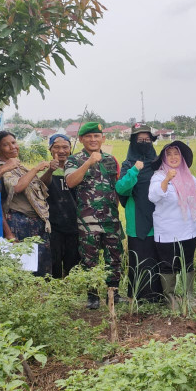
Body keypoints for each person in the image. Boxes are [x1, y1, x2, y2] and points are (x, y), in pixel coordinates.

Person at [64, 122, 125, 310]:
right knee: (89, 259)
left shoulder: (111, 160)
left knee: (114, 257)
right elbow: (70, 182)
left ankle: (113, 293)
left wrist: (114, 212)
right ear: (81, 139)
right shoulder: (74, 160)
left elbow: (116, 188)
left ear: (102, 138)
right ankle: (92, 296)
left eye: (96, 136)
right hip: (87, 220)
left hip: (111, 219)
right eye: (88, 136)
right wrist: (89, 162)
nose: (93, 139)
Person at [148, 140, 196, 308]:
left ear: (182, 157)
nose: (173, 157)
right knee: (168, 265)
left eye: (176, 154)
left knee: (188, 263)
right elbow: (154, 196)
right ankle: (170, 300)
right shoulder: (159, 176)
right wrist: (167, 179)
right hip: (167, 232)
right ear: (163, 158)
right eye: (169, 154)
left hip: (189, 229)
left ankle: (188, 297)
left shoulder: (190, 177)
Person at [0, 130, 54, 276]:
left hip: (36, 222)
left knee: (40, 266)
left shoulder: (19, 167)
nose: (12, 147)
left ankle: (40, 297)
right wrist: (36, 168)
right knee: (24, 267)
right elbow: (18, 187)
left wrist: (49, 170)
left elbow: (38, 185)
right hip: (19, 223)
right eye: (6, 145)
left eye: (13, 142)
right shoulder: (1, 168)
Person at [116, 123, 162, 302]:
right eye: (139, 139)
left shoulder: (158, 163)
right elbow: (121, 188)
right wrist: (135, 170)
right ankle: (138, 296)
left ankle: (158, 295)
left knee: (156, 256)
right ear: (133, 142)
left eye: (147, 139)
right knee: (140, 257)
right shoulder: (128, 164)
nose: (144, 142)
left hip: (158, 218)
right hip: (137, 219)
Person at [43, 134, 80, 278]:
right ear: (50, 149)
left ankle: (71, 291)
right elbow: (42, 185)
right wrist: (50, 170)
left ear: (70, 149)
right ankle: (56, 291)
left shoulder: (77, 169)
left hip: (75, 223)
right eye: (56, 147)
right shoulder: (44, 168)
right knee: (54, 261)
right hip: (53, 225)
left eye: (65, 147)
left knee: (73, 261)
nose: (61, 150)